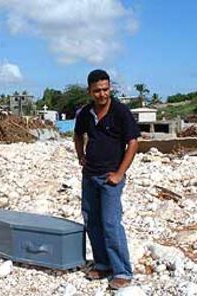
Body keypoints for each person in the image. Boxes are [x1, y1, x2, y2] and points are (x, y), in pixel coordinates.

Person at [74, 69, 140, 290]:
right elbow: (77, 135)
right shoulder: (85, 113)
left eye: (106, 89)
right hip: (89, 175)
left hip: (111, 176)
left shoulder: (121, 112)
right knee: (92, 221)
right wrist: (80, 156)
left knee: (111, 223)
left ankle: (122, 271)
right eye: (97, 91)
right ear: (90, 91)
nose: (102, 94)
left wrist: (120, 173)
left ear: (110, 88)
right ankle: (102, 264)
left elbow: (133, 143)